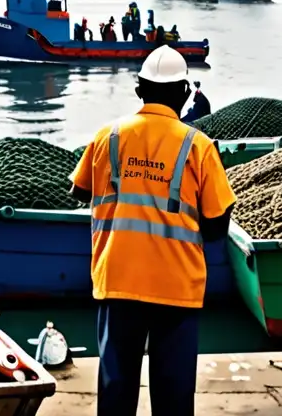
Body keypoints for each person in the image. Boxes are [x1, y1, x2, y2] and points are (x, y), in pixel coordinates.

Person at [70, 46, 235, 416]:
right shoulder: (199, 147)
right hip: (176, 288)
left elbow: (79, 190)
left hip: (118, 280)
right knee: (174, 395)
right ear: (184, 93)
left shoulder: (107, 137)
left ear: (139, 90)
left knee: (116, 389)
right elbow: (217, 224)